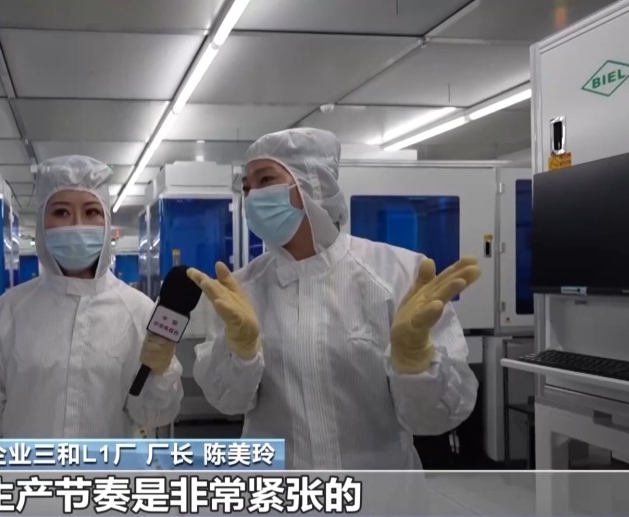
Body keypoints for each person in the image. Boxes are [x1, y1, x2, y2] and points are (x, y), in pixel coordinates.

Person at [188, 128, 481, 472]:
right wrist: (239, 351)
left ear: (313, 184)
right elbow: (228, 402)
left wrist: (416, 362)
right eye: (246, 187)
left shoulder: (397, 274)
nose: (253, 196)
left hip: (379, 491)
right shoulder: (242, 290)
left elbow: (435, 419)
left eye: (265, 179)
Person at [0, 155, 183, 438]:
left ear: (107, 223)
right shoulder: (10, 309)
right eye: (61, 212)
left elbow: (152, 415)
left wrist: (161, 372)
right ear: (42, 223)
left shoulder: (138, 310)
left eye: (91, 212)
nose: (77, 225)